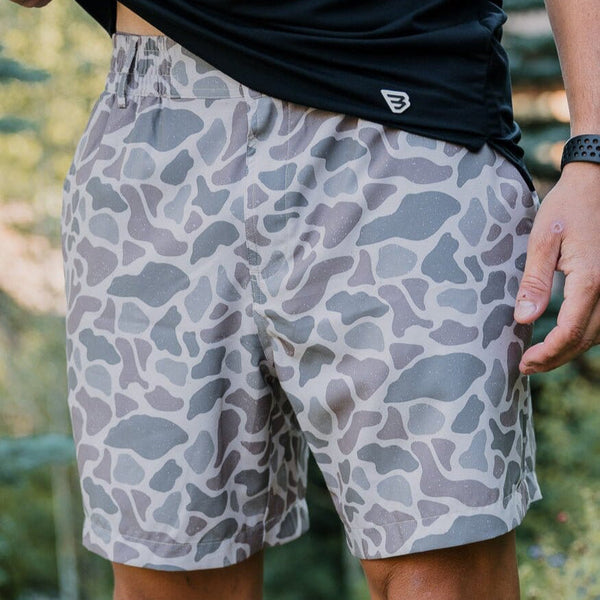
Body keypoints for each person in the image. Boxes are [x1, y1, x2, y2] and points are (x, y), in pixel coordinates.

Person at [8, 0, 600, 598]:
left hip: (402, 117)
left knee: (441, 576)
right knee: (165, 577)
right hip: (153, 133)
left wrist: (594, 154)